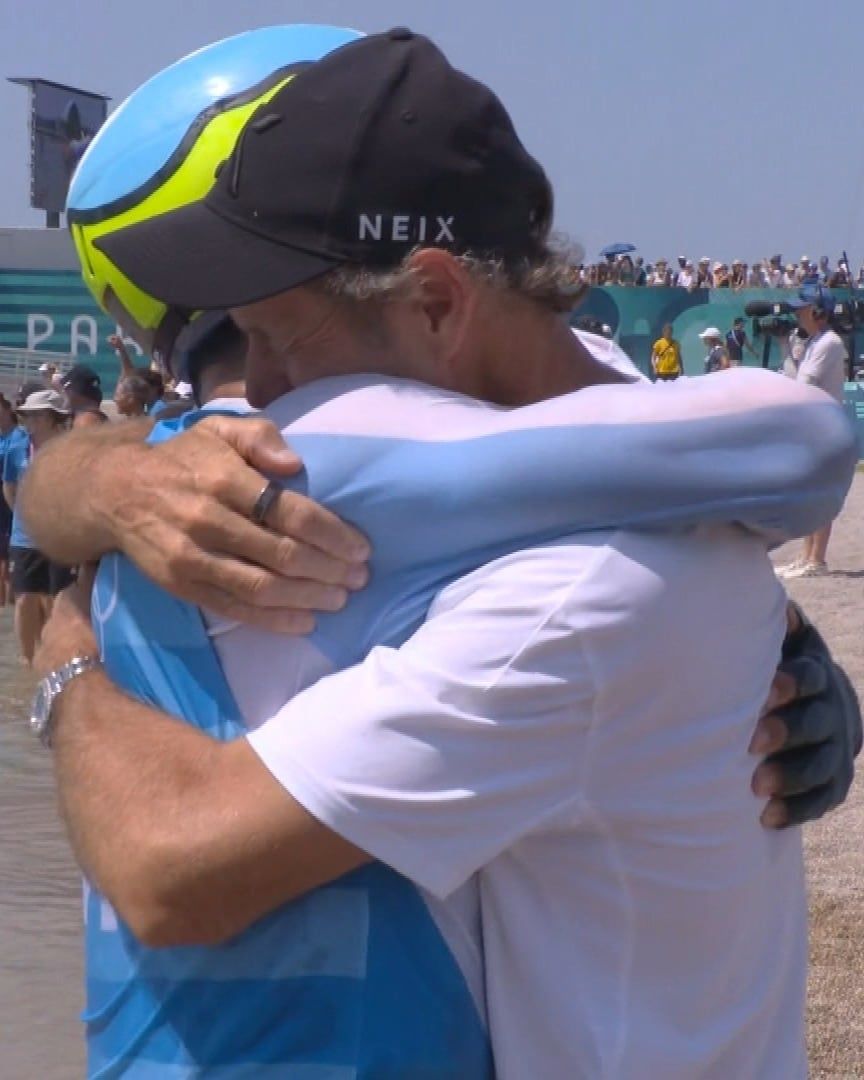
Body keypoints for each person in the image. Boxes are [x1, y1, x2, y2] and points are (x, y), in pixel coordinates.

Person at [24, 30, 860, 1080]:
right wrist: (97, 482)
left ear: (435, 301)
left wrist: (68, 663)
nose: (259, 395)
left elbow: (169, 870)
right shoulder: (617, 447)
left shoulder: (579, 583)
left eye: (280, 340)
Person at [776, 285, 849, 579]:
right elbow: (793, 378)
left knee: (819, 494)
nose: (796, 313)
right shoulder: (813, 342)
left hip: (825, 425)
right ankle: (806, 556)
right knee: (808, 494)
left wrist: (796, 354)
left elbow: (804, 384)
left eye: (803, 308)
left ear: (818, 312)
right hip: (812, 424)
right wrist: (787, 348)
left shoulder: (829, 342)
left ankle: (817, 559)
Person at [4, 390, 74, 663]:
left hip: (61, 536)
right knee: (24, 599)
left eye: (35, 415)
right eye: (27, 415)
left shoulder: (69, 448)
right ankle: (27, 659)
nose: (28, 420)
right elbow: (9, 488)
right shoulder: (17, 446)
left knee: (59, 599)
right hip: (25, 537)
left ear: (51, 417)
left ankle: (56, 654)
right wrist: (26, 517)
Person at [0, 394, 27, 606]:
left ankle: (9, 599)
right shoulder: (2, 437)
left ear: (8, 409)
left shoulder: (19, 437)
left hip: (9, 502)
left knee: (6, 554)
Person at [60, 364, 109, 428]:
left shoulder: (85, 422)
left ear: (73, 392)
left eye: (66, 389)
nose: (63, 392)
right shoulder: (100, 418)